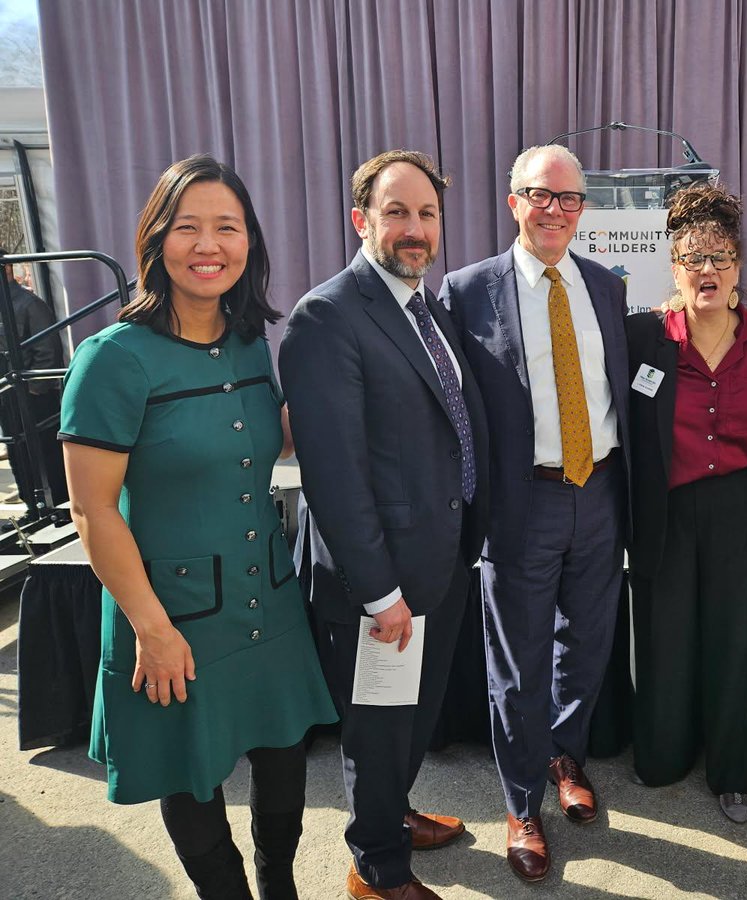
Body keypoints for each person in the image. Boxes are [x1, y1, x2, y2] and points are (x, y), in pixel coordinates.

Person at [59, 155, 338, 899]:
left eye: (227, 227)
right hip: (169, 613)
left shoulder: (250, 343)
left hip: (268, 599)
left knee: (285, 760)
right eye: (188, 227)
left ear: (249, 242)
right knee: (190, 775)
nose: (208, 245)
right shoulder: (112, 359)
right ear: (157, 239)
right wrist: (151, 628)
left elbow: (264, 442)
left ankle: (280, 884)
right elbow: (92, 510)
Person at [280, 149, 489, 900]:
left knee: (414, 715)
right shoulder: (328, 316)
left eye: (427, 213)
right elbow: (334, 475)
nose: (415, 228)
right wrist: (379, 592)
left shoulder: (428, 309)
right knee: (377, 731)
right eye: (396, 212)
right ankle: (377, 869)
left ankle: (392, 814)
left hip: (442, 561)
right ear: (360, 220)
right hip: (381, 582)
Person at [440, 144, 629, 883]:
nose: (554, 210)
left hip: (600, 492)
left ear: (583, 209)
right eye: (540, 195)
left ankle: (563, 755)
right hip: (522, 503)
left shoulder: (604, 286)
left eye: (568, 198)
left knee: (586, 647)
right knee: (518, 664)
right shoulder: (466, 291)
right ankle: (521, 802)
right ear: (513, 201)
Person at [624, 184, 747, 823]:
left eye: (720, 257)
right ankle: (665, 755)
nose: (708, 270)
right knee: (665, 636)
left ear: (738, 267)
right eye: (693, 258)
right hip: (666, 508)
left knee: (738, 642)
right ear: (674, 268)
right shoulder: (643, 338)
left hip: (739, 508)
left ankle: (737, 768)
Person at [0, 247, 68, 509]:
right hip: (9, 394)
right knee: (18, 451)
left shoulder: (29, 303)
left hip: (31, 395)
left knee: (42, 451)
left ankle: (54, 504)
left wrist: (35, 389)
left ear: (7, 268)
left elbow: (48, 349)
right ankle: (32, 504)